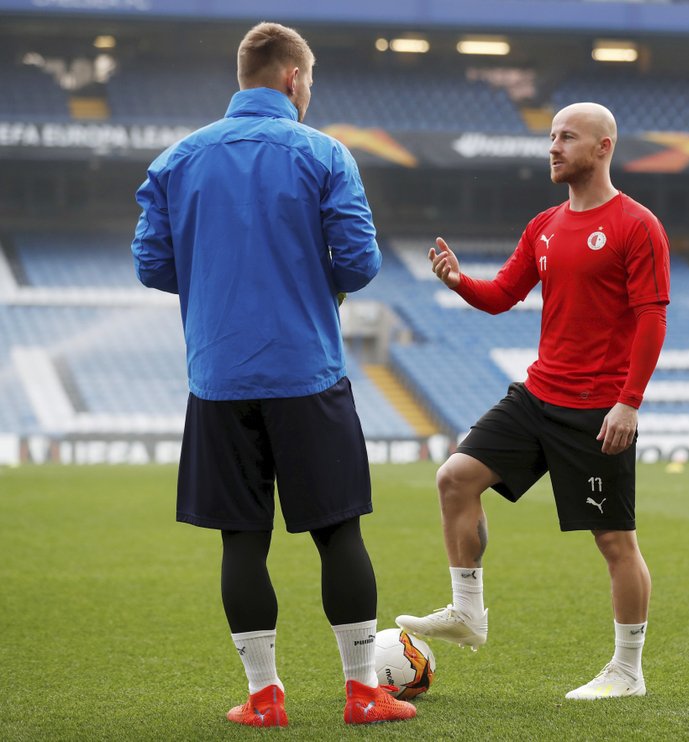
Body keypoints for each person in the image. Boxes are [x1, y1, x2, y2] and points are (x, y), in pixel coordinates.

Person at [130, 22, 415, 727]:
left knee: (241, 541)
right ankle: (362, 693)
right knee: (338, 533)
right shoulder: (323, 153)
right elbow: (358, 264)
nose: (310, 88)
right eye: (310, 78)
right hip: (307, 374)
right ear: (293, 78)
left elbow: (151, 265)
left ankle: (264, 699)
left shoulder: (176, 160)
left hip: (219, 379)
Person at [396, 102, 670, 700]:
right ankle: (468, 611)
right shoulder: (543, 225)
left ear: (602, 147)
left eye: (566, 137)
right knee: (455, 479)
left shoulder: (636, 225)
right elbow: (501, 296)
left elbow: (652, 317)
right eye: (550, 136)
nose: (552, 147)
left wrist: (629, 402)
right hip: (538, 395)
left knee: (615, 542)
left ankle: (627, 670)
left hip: (598, 411)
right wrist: (457, 280)